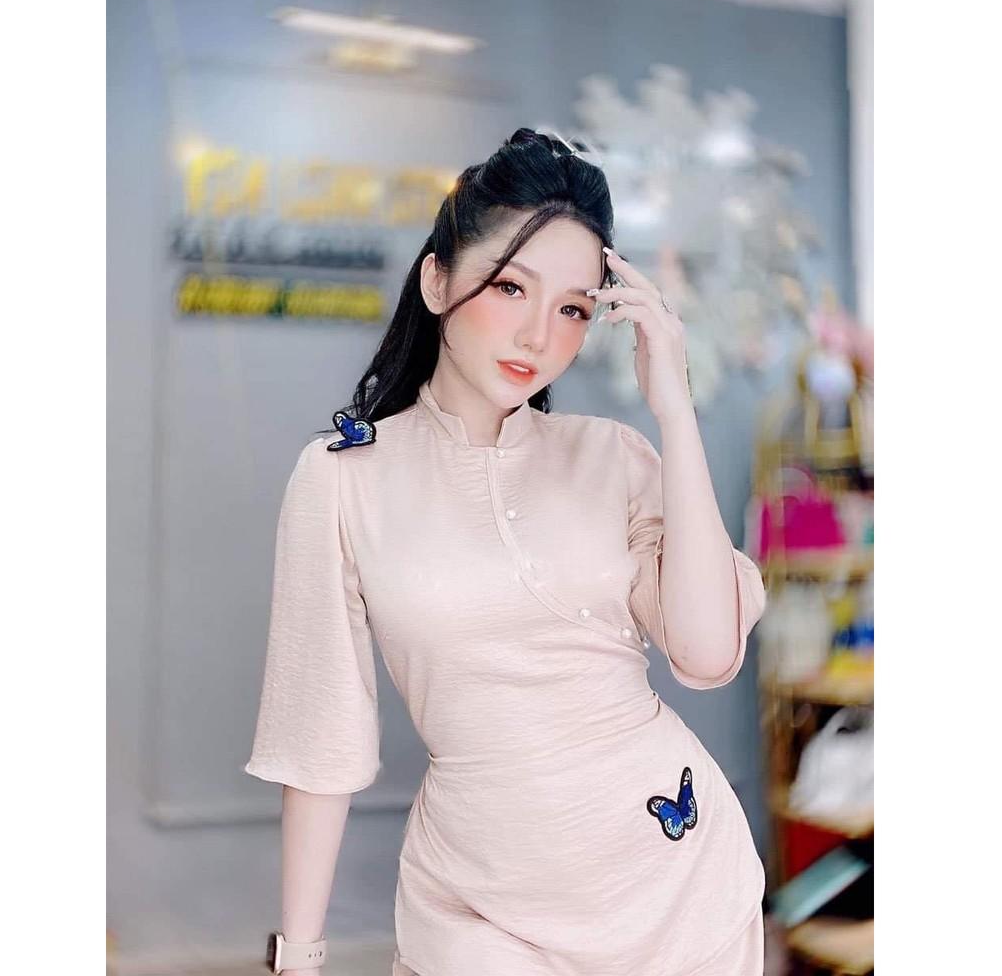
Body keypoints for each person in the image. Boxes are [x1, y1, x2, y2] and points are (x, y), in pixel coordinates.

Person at [245, 128, 768, 976]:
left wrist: (674, 409)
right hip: (480, 911)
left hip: (678, 891)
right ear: (437, 280)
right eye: (510, 286)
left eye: (572, 309)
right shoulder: (342, 477)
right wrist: (295, 958)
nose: (536, 335)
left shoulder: (613, 457)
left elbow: (708, 654)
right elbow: (319, 736)